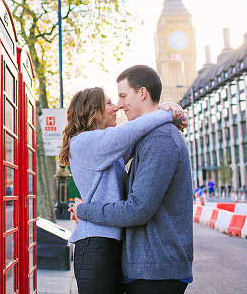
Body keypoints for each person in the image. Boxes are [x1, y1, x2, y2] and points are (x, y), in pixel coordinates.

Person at [71, 65, 194, 294]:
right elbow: (132, 132)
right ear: (94, 111)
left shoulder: (158, 138)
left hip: (151, 265)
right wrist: (169, 114)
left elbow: (137, 208)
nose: (118, 105)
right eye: (111, 102)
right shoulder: (88, 142)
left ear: (142, 93)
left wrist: (172, 116)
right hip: (102, 246)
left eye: (122, 96)